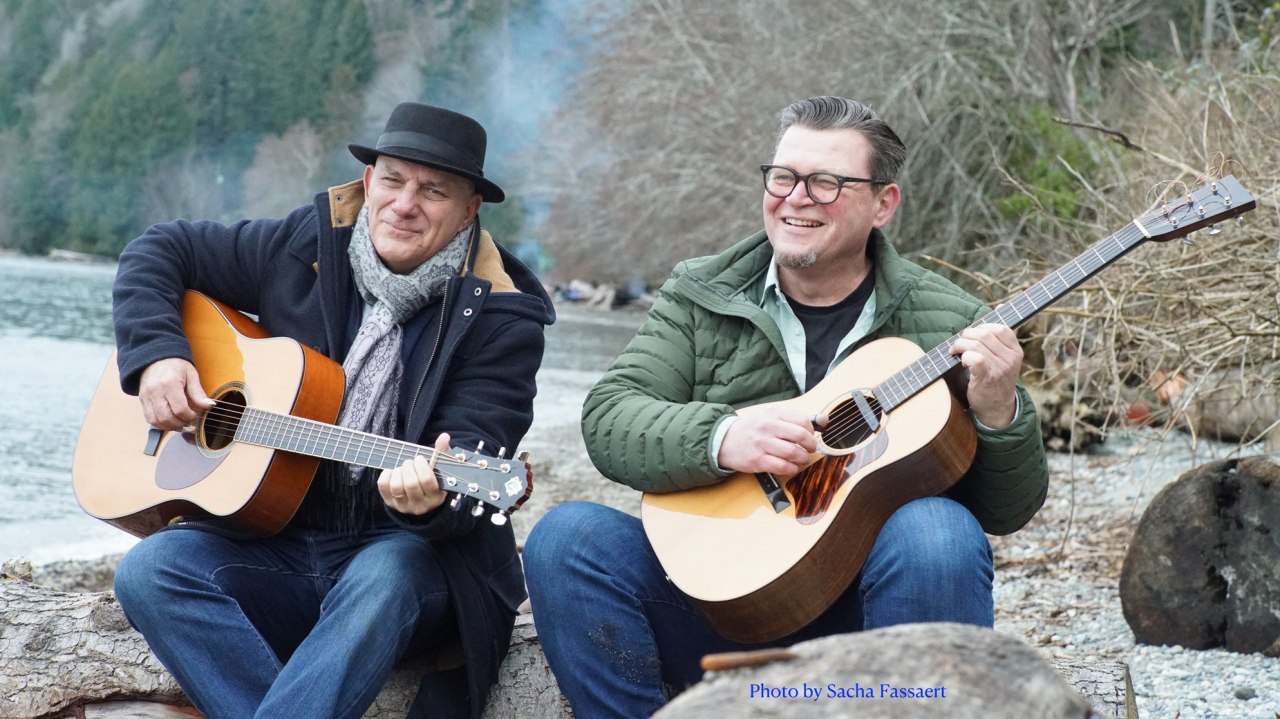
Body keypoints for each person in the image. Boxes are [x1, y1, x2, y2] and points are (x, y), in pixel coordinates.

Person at [522, 96, 1049, 717]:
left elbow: (1006, 510)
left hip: (874, 630)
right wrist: (722, 436)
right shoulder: (701, 292)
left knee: (940, 531)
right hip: (721, 609)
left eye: (826, 183)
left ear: (884, 204)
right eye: (783, 177)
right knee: (566, 537)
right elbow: (611, 417)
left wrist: (997, 411)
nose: (797, 197)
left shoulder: (951, 321)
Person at [110, 102, 554, 719]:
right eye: (394, 181)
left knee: (388, 574)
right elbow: (159, 249)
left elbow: (476, 452)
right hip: (275, 540)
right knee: (150, 570)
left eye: (434, 191)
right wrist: (159, 356)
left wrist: (432, 502)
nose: (405, 204)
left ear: (468, 210)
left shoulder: (505, 320)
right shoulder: (306, 245)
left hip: (403, 558)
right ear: (369, 182)